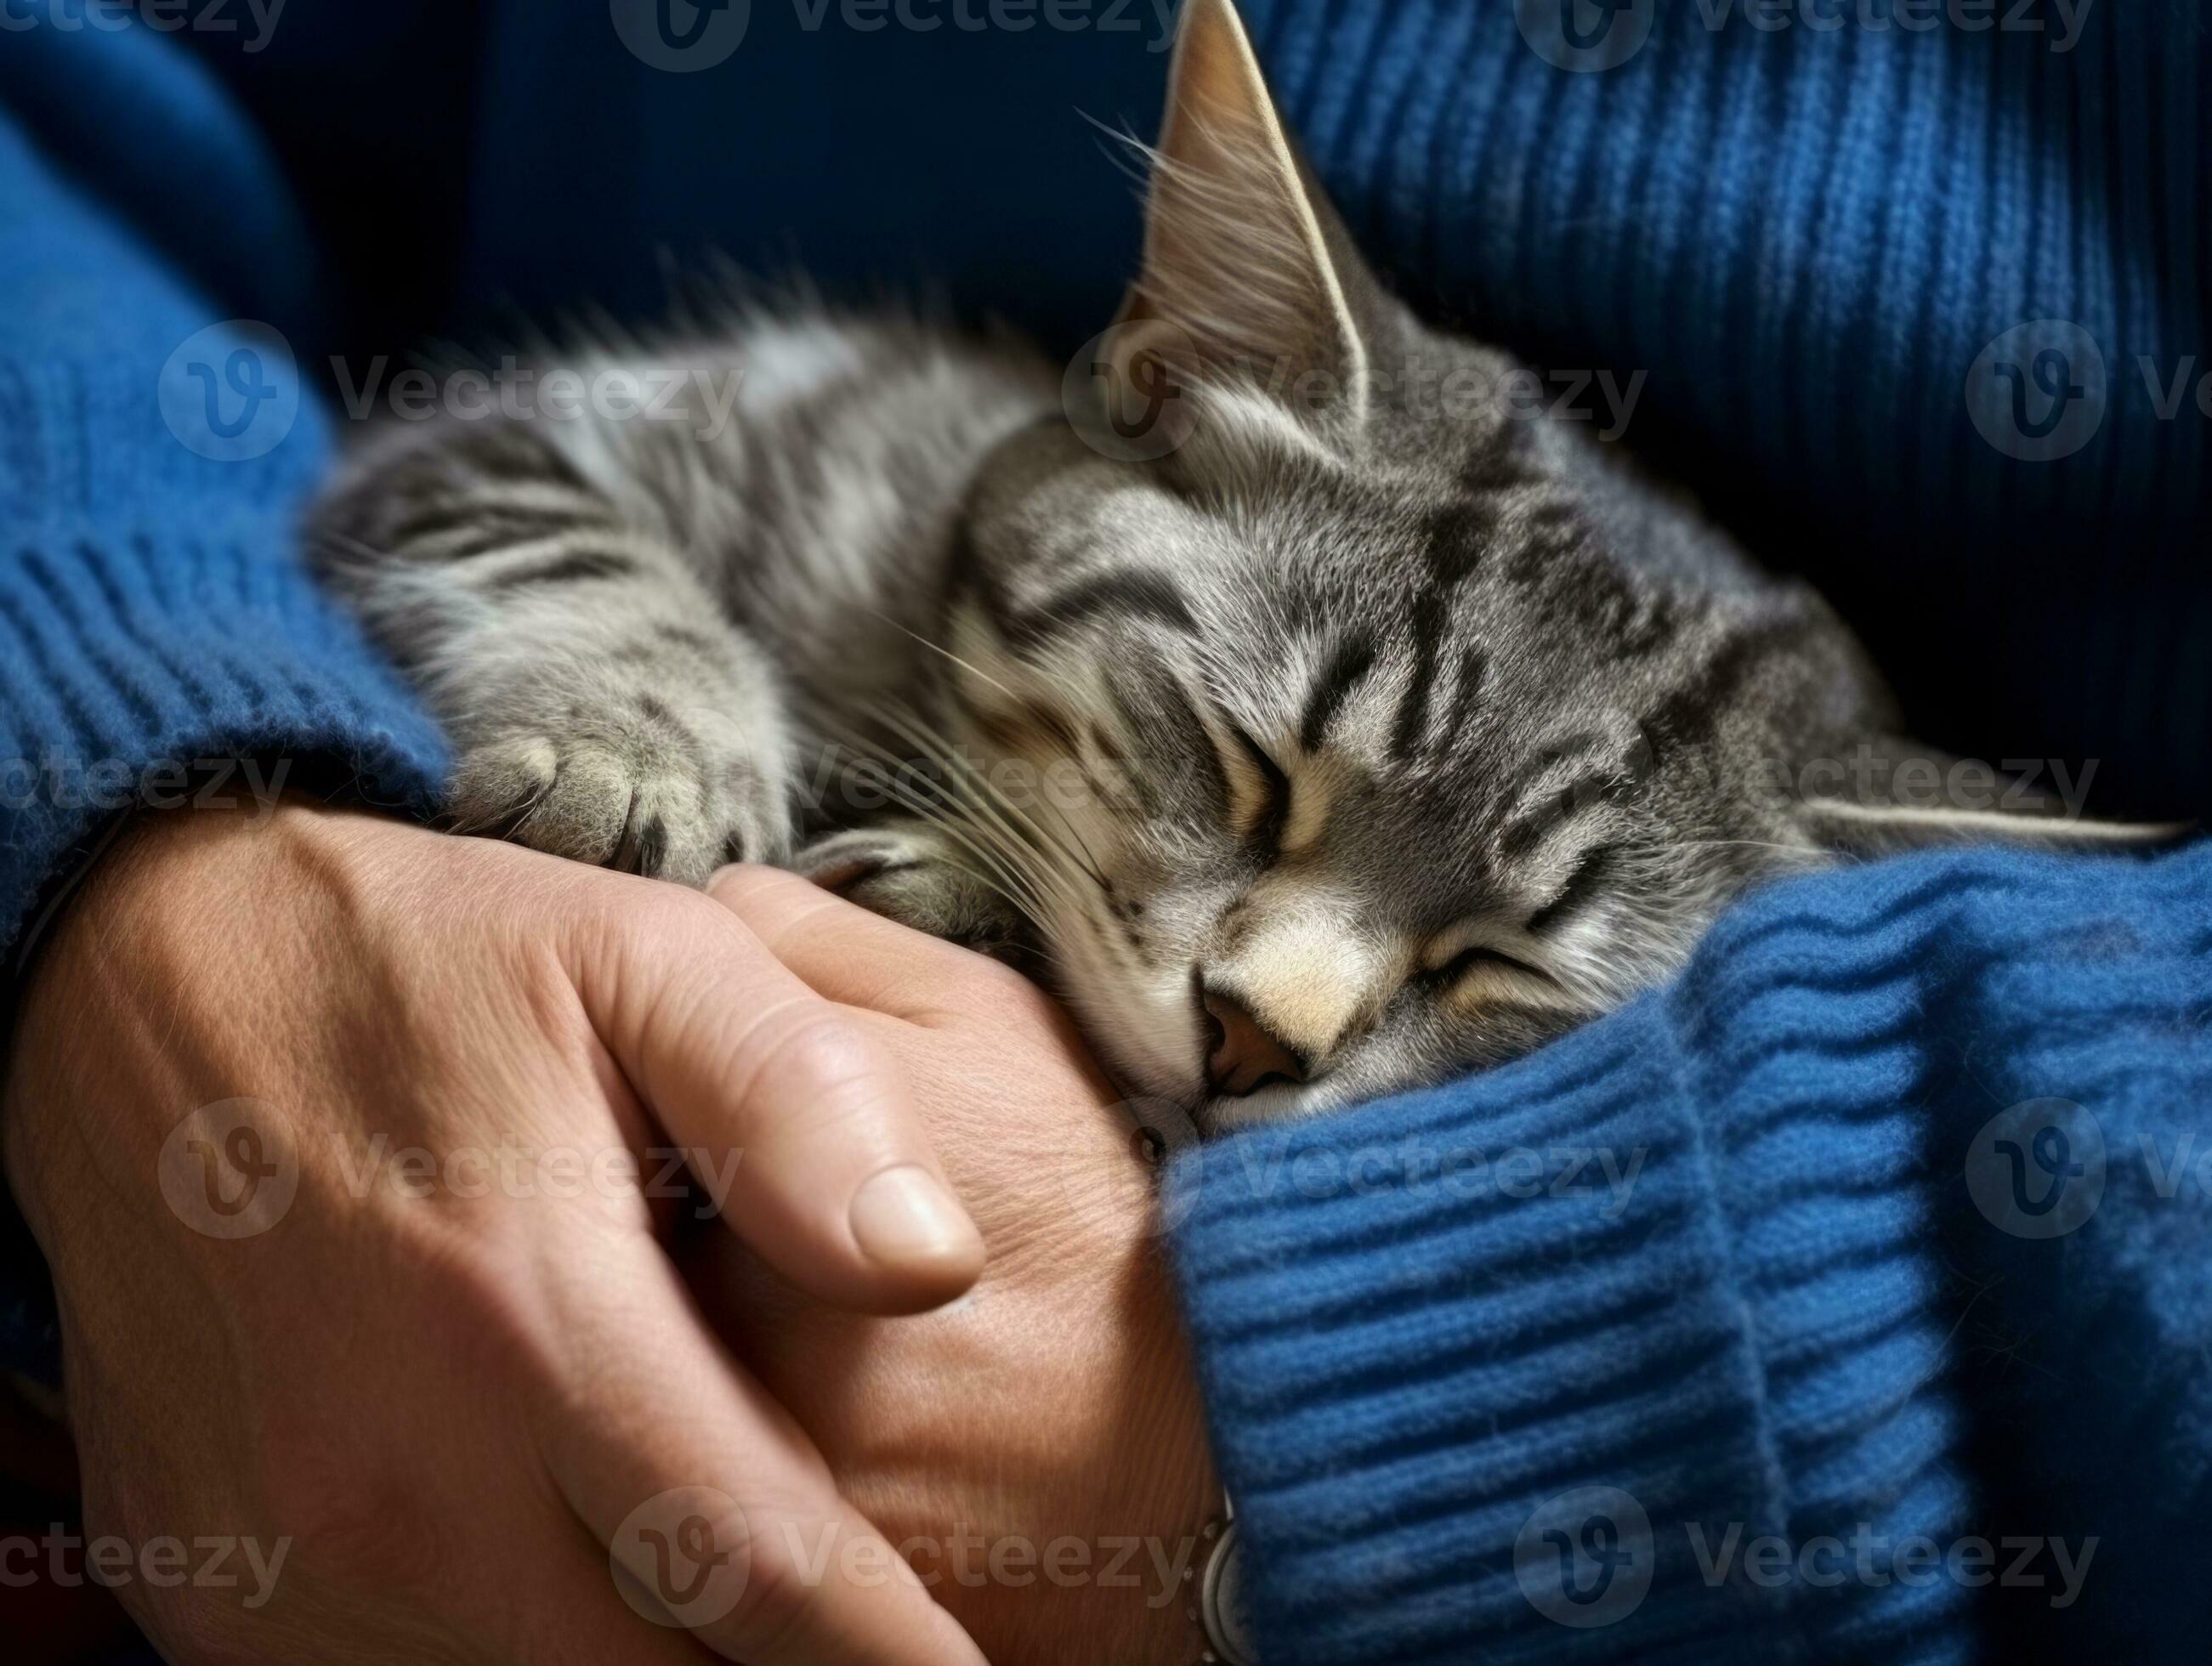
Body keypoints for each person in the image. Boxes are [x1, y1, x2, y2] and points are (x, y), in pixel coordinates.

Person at [3, 4, 2209, 1663]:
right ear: (1162, 385)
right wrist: (138, 838)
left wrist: (1346, 1410)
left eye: (1490, 973)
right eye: (1247, 786)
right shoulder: (879, 470)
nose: (1270, 1003)